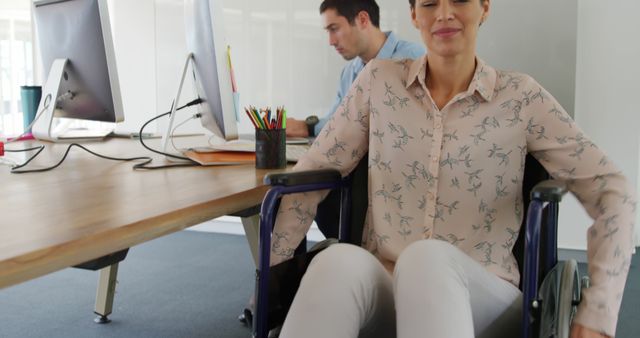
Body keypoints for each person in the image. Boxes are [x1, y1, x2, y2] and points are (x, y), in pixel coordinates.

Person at [270, 0, 635, 337]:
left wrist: (598, 312)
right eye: (429, 3)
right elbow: (314, 171)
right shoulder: (378, 83)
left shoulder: (522, 97)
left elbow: (611, 189)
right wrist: (273, 273)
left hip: (482, 295)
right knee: (336, 261)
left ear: (484, 7)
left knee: (425, 258)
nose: (444, 13)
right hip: (386, 282)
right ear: (414, 15)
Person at [285, 0, 425, 139]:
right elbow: (336, 122)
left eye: (334, 29)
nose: (331, 41)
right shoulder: (349, 72)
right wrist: (305, 126)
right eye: (328, 31)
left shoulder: (415, 59)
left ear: (363, 20)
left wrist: (307, 127)